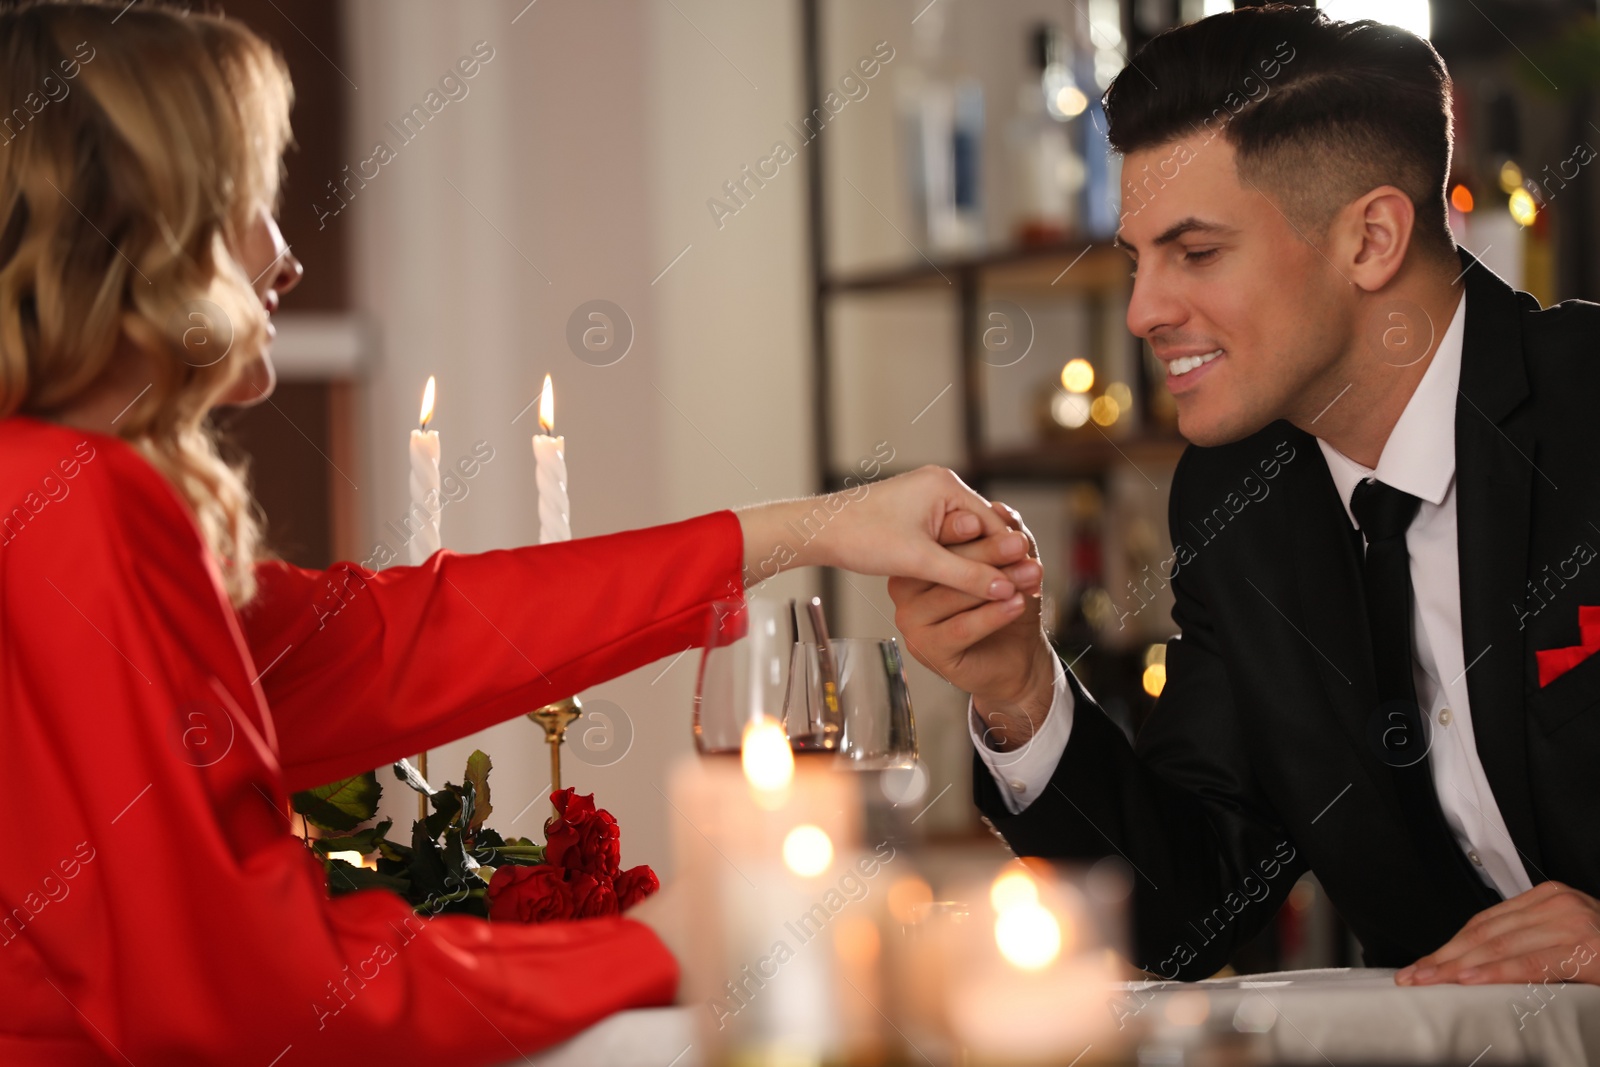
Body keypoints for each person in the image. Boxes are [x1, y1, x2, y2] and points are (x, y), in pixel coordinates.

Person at [0, 3, 1038, 1062]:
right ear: (144, 225)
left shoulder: (42, 490)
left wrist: (821, 524)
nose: (285, 255)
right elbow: (245, 986)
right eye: (249, 199)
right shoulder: (71, 502)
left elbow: (394, 641)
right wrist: (671, 943)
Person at [891, 5, 1600, 990]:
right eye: (1138, 260)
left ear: (1371, 239)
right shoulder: (1241, 502)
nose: (1143, 310)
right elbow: (1186, 909)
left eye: (1196, 251)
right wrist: (1017, 686)